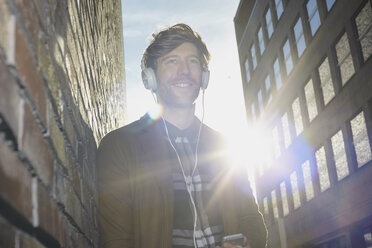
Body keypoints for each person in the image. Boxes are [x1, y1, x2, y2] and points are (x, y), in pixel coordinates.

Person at [97, 23, 267, 248]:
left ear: (204, 77)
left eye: (193, 61)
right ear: (150, 77)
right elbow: (117, 242)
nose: (184, 70)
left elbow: (254, 224)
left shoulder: (226, 148)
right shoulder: (119, 146)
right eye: (172, 61)